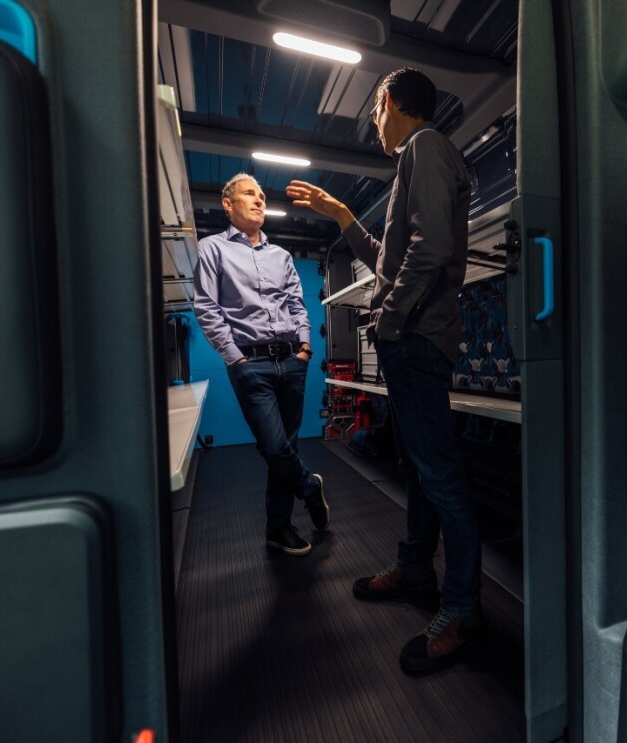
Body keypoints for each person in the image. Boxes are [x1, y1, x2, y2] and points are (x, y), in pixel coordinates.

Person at [286, 67, 479, 673]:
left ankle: (462, 611)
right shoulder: (418, 159)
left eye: (375, 109)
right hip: (413, 340)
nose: (373, 123)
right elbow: (390, 258)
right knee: (421, 469)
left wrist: (390, 321)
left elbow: (431, 250)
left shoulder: (425, 148)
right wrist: (345, 214)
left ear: (391, 101)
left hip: (416, 341)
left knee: (440, 476)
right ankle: (416, 567)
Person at [194, 173, 330, 557]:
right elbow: (206, 307)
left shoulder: (281, 256)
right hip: (250, 364)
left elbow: (297, 305)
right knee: (274, 445)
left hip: (292, 359)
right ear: (228, 204)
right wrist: (234, 358)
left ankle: (278, 528)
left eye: (261, 196)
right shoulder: (212, 249)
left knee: (283, 447)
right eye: (249, 194)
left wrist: (305, 348)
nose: (259, 201)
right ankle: (309, 487)